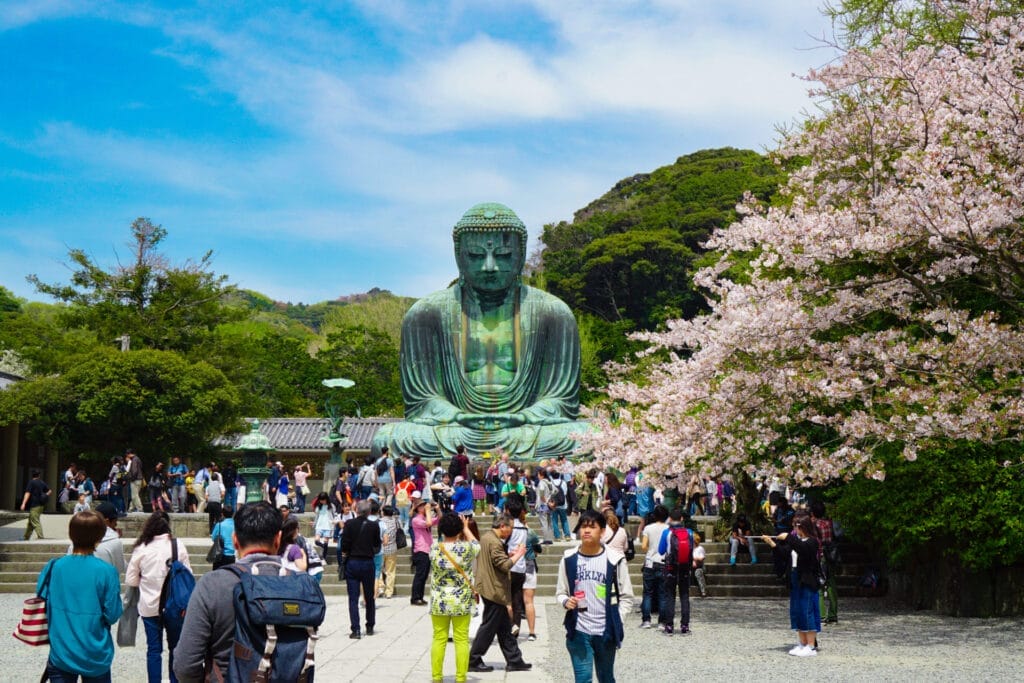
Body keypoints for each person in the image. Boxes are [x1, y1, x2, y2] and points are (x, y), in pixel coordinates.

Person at [371, 203, 593, 459]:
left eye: (504, 255)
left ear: (520, 256)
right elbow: (422, 400)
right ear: (459, 256)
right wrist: (457, 415)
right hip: (456, 428)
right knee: (390, 439)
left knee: (590, 439)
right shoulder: (426, 313)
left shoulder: (553, 313)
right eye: (476, 256)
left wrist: (523, 416)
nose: (489, 267)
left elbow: (560, 400)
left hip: (524, 427)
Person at [175, 503, 313, 680]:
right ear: (278, 539)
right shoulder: (301, 586)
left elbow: (185, 665)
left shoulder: (212, 585)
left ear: (235, 540)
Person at [40, 510, 123, 682]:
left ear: (71, 534)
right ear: (99, 537)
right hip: (95, 651)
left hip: (61, 650)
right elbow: (113, 614)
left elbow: (43, 600)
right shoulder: (107, 572)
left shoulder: (54, 567)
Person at [555, 509, 635, 683]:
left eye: (592, 527)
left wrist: (617, 619)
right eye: (583, 527)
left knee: (606, 678)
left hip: (605, 631)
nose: (586, 531)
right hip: (579, 630)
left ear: (603, 531)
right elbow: (560, 592)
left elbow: (627, 597)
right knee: (583, 679)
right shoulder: (569, 559)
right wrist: (565, 601)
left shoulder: (615, 560)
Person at [126, 510, 191, 683]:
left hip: (149, 606)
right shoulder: (178, 545)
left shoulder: (141, 548)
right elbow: (188, 574)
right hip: (175, 607)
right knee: (175, 648)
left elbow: (131, 580)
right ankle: (174, 680)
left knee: (154, 649)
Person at [467, 514, 531, 673]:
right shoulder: (495, 542)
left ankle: (514, 659)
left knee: (504, 627)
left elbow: (496, 560)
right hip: (493, 590)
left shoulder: (488, 537)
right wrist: (519, 554)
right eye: (509, 527)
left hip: (490, 587)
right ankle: (474, 659)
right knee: (488, 627)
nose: (510, 532)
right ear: (502, 526)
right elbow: (504, 565)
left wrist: (509, 555)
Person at [429, 511, 480, 683]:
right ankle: (460, 678)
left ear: (442, 530)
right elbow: (477, 544)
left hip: (440, 599)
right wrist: (466, 528)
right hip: (461, 599)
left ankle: (437, 677)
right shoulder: (466, 549)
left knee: (439, 638)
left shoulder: (434, 548)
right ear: (458, 530)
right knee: (461, 639)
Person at [762, 514, 822, 656]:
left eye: (796, 526)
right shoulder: (796, 542)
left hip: (807, 580)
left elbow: (803, 549)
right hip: (795, 579)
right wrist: (772, 543)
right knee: (797, 611)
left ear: (803, 527)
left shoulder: (812, 542)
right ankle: (802, 643)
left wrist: (788, 537)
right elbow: (784, 554)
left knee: (807, 611)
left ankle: (811, 646)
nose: (794, 529)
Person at [340, 499, 381, 638]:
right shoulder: (374, 525)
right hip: (368, 562)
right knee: (369, 596)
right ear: (369, 511)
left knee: (353, 597)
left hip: (353, 561)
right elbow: (377, 544)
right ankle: (370, 625)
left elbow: (344, 544)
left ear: (356, 510)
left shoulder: (349, 524)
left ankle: (355, 629)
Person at [657, 508, 695, 635]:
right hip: (685, 567)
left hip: (670, 567)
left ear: (670, 519)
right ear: (682, 519)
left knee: (670, 596)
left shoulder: (666, 533)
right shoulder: (689, 532)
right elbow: (691, 550)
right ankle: (685, 625)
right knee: (684, 596)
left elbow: (661, 551)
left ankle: (669, 626)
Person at [66, 501, 125, 574]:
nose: (116, 524)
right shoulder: (115, 542)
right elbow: (120, 569)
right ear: (105, 521)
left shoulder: (76, 541)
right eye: (115, 521)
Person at [639, 505, 669, 629]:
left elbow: (644, 546)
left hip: (650, 562)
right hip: (663, 562)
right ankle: (662, 622)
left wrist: (651, 550)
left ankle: (646, 620)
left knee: (647, 593)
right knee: (662, 593)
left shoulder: (648, 528)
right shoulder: (669, 529)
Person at [811, 501, 839, 624]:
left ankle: (821, 614)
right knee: (831, 584)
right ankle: (833, 614)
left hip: (820, 556)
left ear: (813, 513)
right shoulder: (829, 523)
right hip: (831, 556)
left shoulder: (814, 525)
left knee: (819, 586)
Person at [410, 498, 440, 605]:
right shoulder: (416, 519)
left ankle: (420, 596)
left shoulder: (425, 517)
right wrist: (428, 511)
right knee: (420, 575)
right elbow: (428, 523)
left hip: (428, 549)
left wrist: (437, 509)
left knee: (424, 575)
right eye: (422, 506)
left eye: (425, 505)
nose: (424, 507)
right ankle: (415, 597)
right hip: (420, 549)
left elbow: (439, 520)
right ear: (417, 508)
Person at [21, 468, 51, 540]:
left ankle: (41, 538)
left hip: (34, 505)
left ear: (32, 475)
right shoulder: (42, 482)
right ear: (39, 475)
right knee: (31, 522)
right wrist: (45, 495)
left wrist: (23, 503)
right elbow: (49, 491)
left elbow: (27, 493)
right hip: (41, 505)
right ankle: (26, 537)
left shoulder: (31, 482)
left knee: (35, 521)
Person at [379, 505, 401, 598]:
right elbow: (400, 530)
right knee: (390, 571)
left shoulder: (379, 522)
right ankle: (389, 592)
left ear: (383, 512)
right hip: (392, 548)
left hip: (380, 549)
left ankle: (380, 587)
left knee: (378, 570)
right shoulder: (396, 521)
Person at [312, 492, 334, 562]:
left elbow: (335, 515)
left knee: (325, 542)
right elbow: (317, 516)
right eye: (320, 500)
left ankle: (323, 558)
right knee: (316, 541)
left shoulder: (331, 506)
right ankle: (324, 548)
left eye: (323, 500)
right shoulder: (319, 506)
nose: (322, 501)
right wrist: (314, 523)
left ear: (326, 499)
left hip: (328, 526)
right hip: (319, 525)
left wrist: (334, 522)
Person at [126, 449, 144, 513]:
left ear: (129, 454)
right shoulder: (138, 459)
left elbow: (134, 470)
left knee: (134, 495)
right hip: (139, 479)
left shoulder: (134, 460)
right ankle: (131, 508)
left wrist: (131, 478)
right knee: (135, 494)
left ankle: (140, 508)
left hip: (135, 479)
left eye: (127, 455)